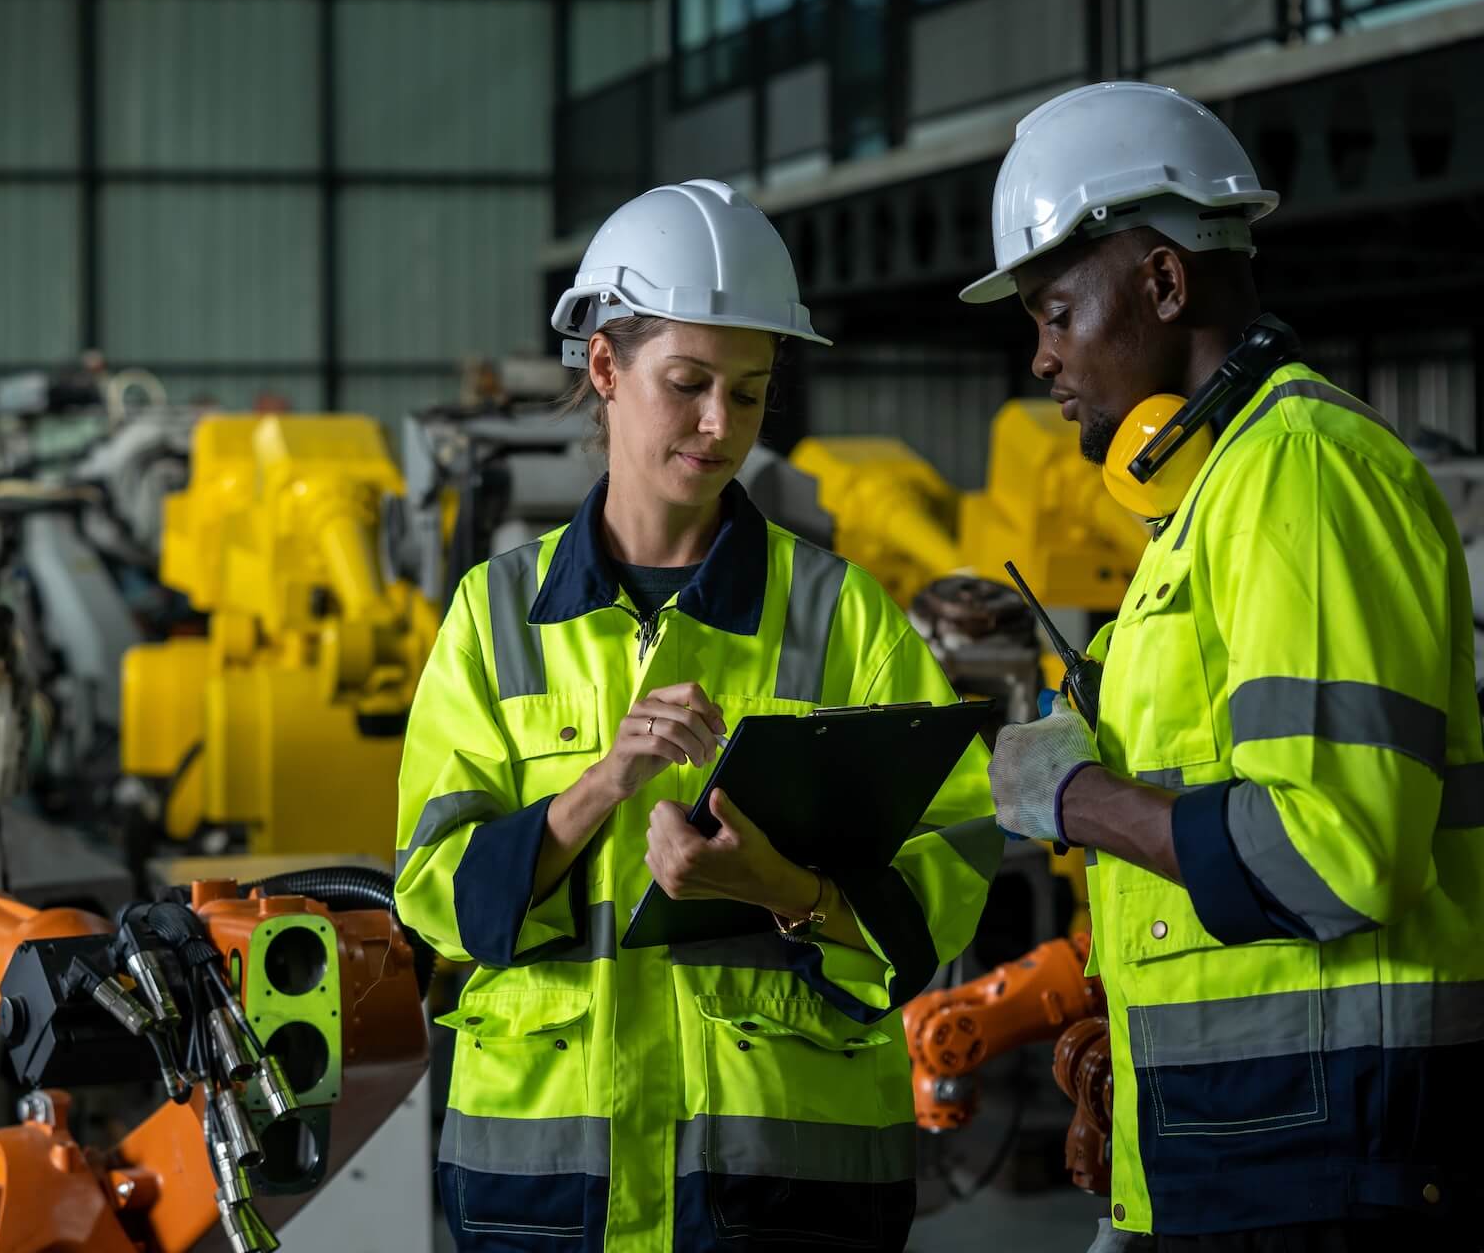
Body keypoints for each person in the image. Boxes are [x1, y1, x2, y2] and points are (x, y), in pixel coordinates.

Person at [392, 179, 998, 1252]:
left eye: (753, 392)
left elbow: (948, 868)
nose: (723, 425)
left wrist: (781, 888)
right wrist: (596, 791)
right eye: (689, 382)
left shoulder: (839, 614)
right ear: (605, 367)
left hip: (784, 1185)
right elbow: (436, 894)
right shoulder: (494, 619)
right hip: (544, 1188)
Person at [971, 82, 1484, 1252]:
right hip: (1237, 1146)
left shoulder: (1298, 476)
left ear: (1162, 281)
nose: (1042, 359)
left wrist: (1075, 799)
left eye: (1056, 311)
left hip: (1323, 1162)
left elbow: (1333, 852)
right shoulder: (1201, 510)